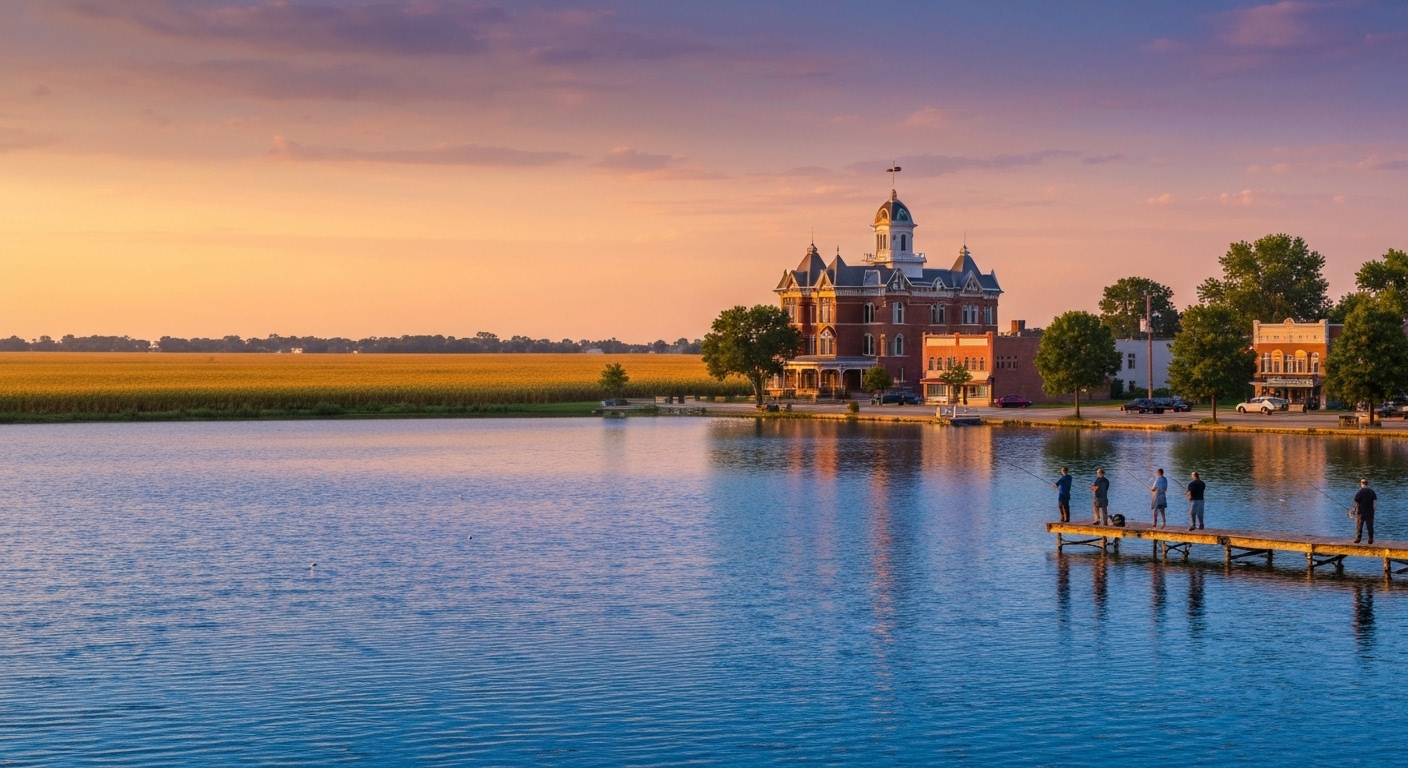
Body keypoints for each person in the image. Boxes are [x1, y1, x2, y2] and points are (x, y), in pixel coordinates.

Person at [1353, 478, 1377, 545]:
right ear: (1367, 484)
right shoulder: (1372, 492)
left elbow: (1356, 502)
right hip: (1370, 512)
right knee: (1370, 526)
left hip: (1361, 512)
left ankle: (1358, 539)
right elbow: (1374, 504)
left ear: (1362, 484)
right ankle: (1370, 539)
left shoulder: (1359, 492)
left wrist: (1355, 510)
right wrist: (1373, 511)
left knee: (1359, 526)